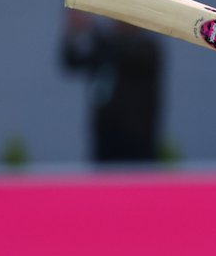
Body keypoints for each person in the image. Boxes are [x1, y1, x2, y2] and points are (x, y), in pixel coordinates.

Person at [60, 10, 163, 163]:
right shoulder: (104, 48)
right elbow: (72, 62)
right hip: (105, 135)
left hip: (138, 138)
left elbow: (122, 52)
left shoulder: (147, 48)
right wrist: (73, 32)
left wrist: (91, 27)